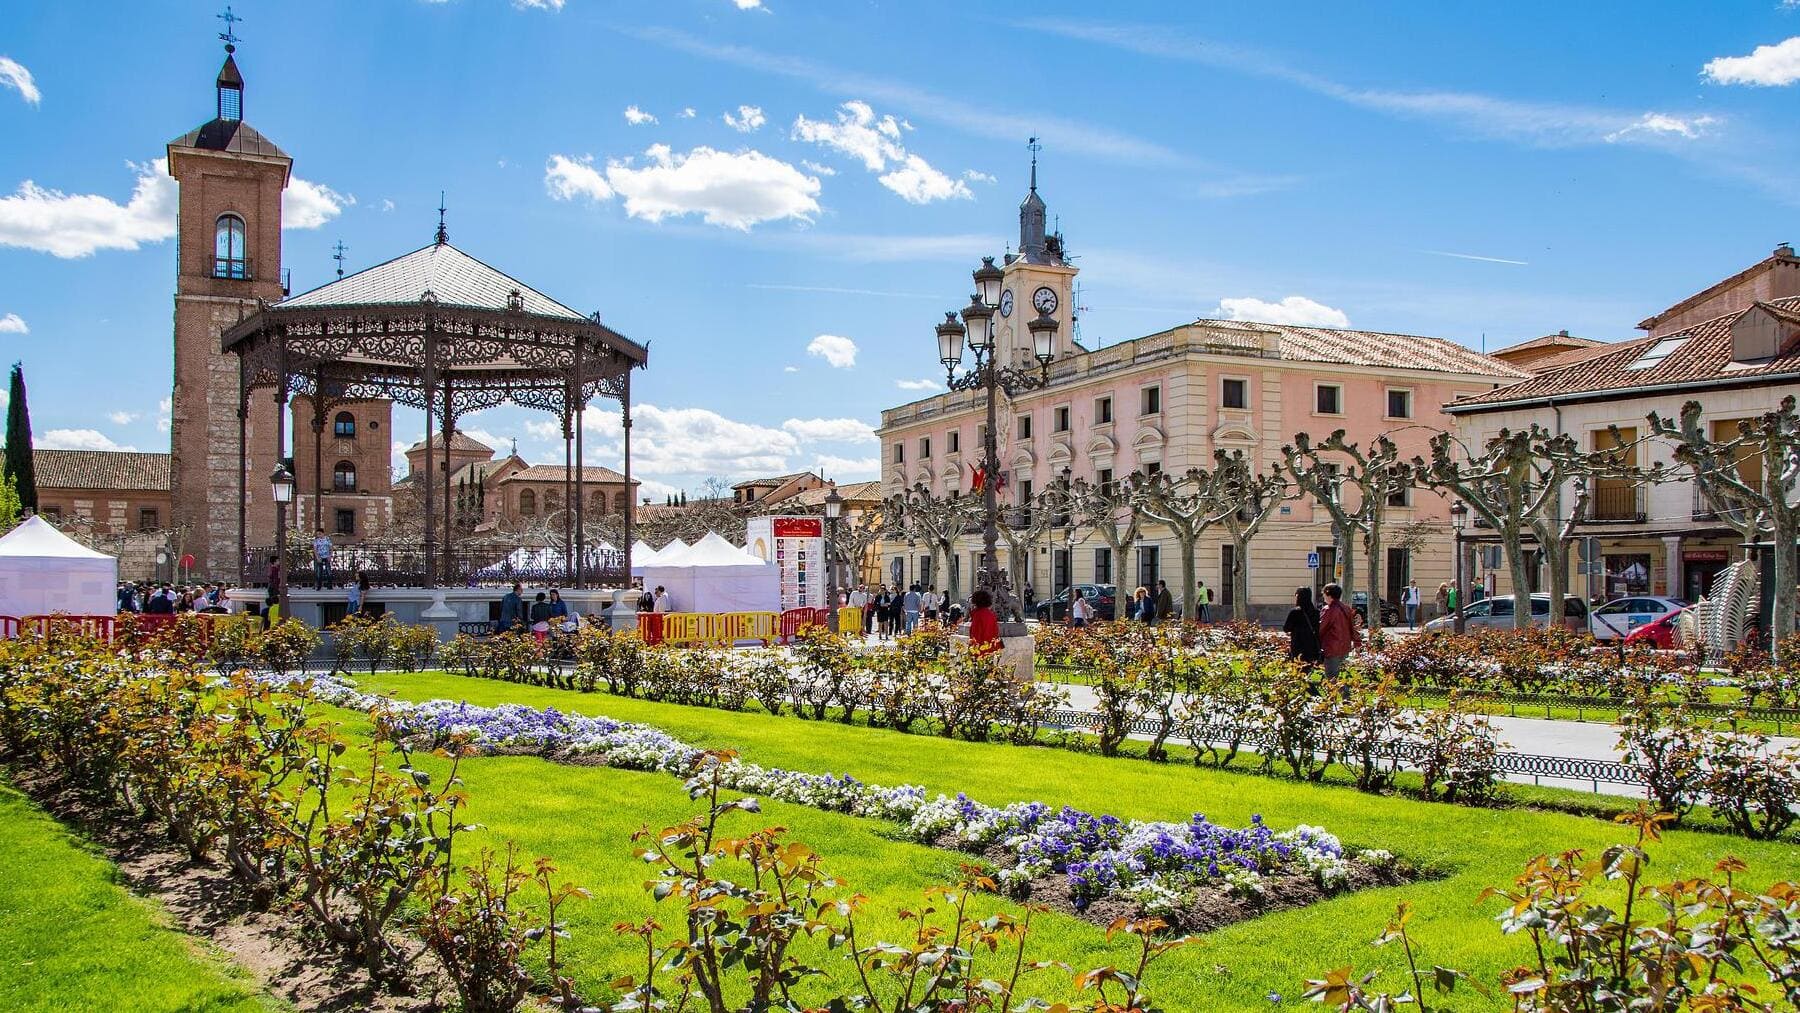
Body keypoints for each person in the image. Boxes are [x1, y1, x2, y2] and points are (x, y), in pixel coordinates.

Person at [1318, 582, 1362, 678]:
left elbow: (1321, 628)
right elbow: (1352, 628)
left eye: (1323, 593)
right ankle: (1344, 691)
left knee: (1332, 677)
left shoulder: (1328, 609)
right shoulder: (1346, 608)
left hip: (1331, 647)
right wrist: (1357, 642)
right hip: (1344, 647)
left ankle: (1345, 693)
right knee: (1339, 676)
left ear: (1328, 594)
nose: (1323, 596)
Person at [1283, 586, 1322, 666]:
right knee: (1312, 668)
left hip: (1298, 646)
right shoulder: (1316, 612)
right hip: (1313, 646)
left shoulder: (1295, 612)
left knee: (1299, 669)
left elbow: (1286, 628)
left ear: (1298, 597)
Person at [966, 588, 1000, 654]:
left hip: (979, 650)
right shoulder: (992, 614)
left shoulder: (977, 615)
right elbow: (996, 632)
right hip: (990, 648)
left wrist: (972, 651)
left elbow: (975, 634)